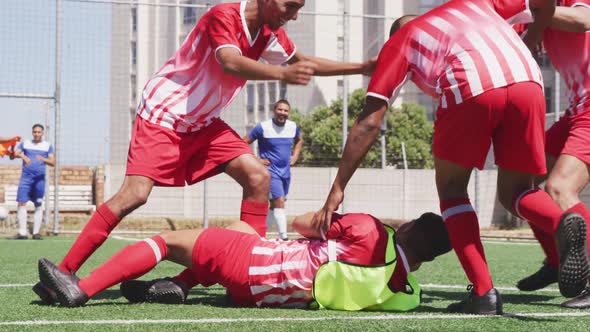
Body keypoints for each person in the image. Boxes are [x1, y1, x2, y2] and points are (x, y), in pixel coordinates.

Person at [32, 0, 375, 304]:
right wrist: (281, 73)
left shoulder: (270, 31)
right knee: (134, 195)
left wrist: (361, 68)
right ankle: (62, 275)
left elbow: (304, 60)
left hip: (203, 123)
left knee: (258, 177)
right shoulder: (223, 15)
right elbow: (230, 62)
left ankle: (197, 278)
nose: (295, 16)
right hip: (165, 115)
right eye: (291, 6)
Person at [310, 0, 588, 315]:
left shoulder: (403, 39)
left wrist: (337, 188)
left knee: (453, 189)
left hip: (472, 82)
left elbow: (369, 122)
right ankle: (560, 219)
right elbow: (545, 3)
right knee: (516, 192)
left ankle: (484, 294)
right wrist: (534, 36)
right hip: (528, 79)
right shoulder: (476, 5)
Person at [37, 211, 451, 310]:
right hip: (260, 296)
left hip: (252, 263)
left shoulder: (371, 229)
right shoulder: (407, 293)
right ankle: (182, 284)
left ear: (411, 227)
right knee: (241, 226)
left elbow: (306, 223)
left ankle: (82, 289)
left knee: (165, 240)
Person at [509, 1, 590, 309]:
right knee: (521, 182)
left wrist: (538, 16)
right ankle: (557, 262)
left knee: (559, 188)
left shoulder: (563, 4)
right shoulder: (528, 9)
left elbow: (584, 20)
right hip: (576, 110)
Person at [243, 99, 303, 240]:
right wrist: (257, 160)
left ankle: (259, 235)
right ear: (274, 111)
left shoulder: (292, 126)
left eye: (285, 110)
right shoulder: (263, 127)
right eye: (280, 109)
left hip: (286, 172)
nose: (282, 113)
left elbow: (299, 140)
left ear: (288, 112)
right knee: (279, 202)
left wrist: (295, 155)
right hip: (270, 172)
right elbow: (242, 143)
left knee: (274, 205)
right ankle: (284, 238)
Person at [12, 125, 54, 240]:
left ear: (42, 133)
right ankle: (22, 233)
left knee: (38, 204)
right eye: (34, 132)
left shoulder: (47, 146)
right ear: (32, 132)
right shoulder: (25, 143)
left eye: (39, 132)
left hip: (39, 179)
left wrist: (43, 159)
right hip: (26, 178)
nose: (36, 134)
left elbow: (52, 162)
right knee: (21, 203)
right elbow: (15, 153)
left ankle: (36, 233)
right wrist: (24, 157)